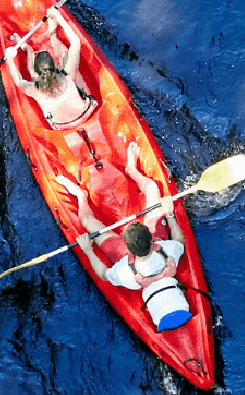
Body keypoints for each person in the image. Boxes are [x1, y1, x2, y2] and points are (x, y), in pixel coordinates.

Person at [57, 142, 193, 332]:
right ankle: (133, 171)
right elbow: (179, 240)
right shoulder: (168, 249)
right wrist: (169, 213)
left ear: (128, 247)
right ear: (151, 239)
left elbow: (104, 274)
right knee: (153, 188)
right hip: (154, 238)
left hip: (123, 254)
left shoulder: (124, 272)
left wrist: (88, 249)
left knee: (87, 222)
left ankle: (81, 196)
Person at [4, 8, 96, 129]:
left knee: (36, 81)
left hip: (61, 126)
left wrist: (9, 58)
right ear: (54, 66)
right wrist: (58, 17)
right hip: (87, 112)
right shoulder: (67, 76)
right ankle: (53, 36)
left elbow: (18, 80)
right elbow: (75, 42)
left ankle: (27, 49)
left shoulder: (34, 88)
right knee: (65, 56)